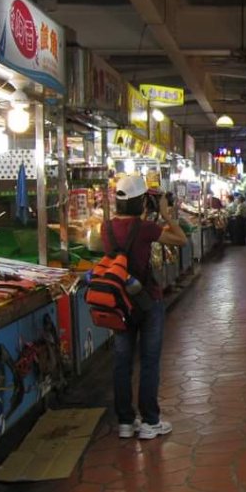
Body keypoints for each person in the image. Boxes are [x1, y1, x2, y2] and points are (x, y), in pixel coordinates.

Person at [103, 175, 188, 440]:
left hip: (120, 302)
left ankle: (125, 422)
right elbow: (181, 240)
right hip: (148, 301)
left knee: (122, 362)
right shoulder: (145, 228)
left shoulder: (106, 228)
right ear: (141, 201)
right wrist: (165, 213)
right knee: (149, 361)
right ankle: (150, 421)